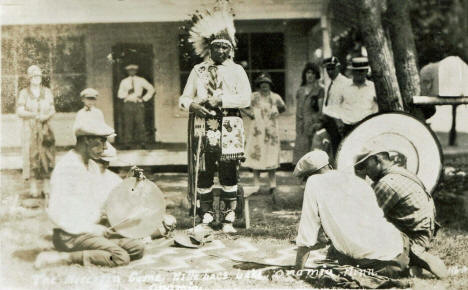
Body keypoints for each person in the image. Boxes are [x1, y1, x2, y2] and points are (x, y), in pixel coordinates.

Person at [34, 117, 145, 268]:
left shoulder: (91, 166)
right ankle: (61, 258)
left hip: (90, 230)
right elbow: (58, 212)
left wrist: (128, 190)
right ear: (87, 140)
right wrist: (91, 228)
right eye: (102, 141)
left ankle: (97, 249)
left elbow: (101, 198)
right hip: (70, 234)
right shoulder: (68, 168)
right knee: (121, 257)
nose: (106, 148)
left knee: (137, 247)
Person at [179, 4, 251, 233]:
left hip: (229, 124)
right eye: (216, 47)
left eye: (224, 47)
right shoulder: (198, 70)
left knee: (229, 168)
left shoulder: (237, 71)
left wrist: (221, 101)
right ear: (209, 49)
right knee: (205, 169)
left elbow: (246, 99)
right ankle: (206, 216)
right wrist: (192, 105)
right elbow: (184, 96)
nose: (220, 51)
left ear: (229, 50)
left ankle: (229, 217)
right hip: (203, 123)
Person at [294, 150, 410, 278]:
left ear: (308, 177)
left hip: (373, 264)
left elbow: (307, 234)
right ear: (330, 167)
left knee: (340, 256)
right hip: (398, 249)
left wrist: (297, 271)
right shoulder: (355, 180)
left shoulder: (314, 182)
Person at [354, 146, 448, 278]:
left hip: (412, 240)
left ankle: (411, 259)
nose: (364, 171)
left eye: (364, 165)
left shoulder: (386, 184)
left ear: (376, 159)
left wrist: (358, 181)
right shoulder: (401, 173)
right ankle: (411, 261)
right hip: (422, 233)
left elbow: (362, 219)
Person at [16, 65, 56, 198]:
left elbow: (52, 109)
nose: (36, 78)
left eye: (38, 76)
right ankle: (33, 187)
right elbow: (19, 111)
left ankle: (46, 187)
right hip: (30, 129)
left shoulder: (47, 92)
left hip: (45, 128)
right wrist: (33, 115)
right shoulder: (24, 93)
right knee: (32, 155)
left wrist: (45, 116)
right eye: (33, 76)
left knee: (47, 155)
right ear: (29, 78)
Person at [243, 73, 286, 195]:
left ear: (270, 85)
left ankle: (272, 184)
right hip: (257, 132)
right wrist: (250, 114)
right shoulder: (253, 97)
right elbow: (242, 106)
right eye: (262, 84)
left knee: (271, 155)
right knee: (256, 155)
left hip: (271, 132)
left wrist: (277, 112)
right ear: (258, 86)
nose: (264, 87)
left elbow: (284, 107)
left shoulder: (275, 97)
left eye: (266, 84)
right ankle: (256, 184)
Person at [292, 63, 324, 165]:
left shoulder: (320, 90)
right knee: (301, 152)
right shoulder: (300, 90)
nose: (310, 75)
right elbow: (298, 110)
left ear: (316, 75)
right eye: (308, 73)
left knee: (313, 152)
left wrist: (317, 123)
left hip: (313, 124)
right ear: (304, 74)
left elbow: (320, 109)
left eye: (313, 73)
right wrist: (298, 125)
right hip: (302, 125)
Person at [117, 64, 155, 149]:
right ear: (127, 72)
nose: (132, 72)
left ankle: (143, 143)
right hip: (128, 104)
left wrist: (144, 98)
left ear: (136, 71)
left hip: (138, 103)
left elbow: (151, 89)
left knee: (140, 123)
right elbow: (119, 94)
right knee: (128, 124)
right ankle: (128, 144)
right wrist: (127, 93)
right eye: (130, 70)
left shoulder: (141, 80)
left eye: (133, 70)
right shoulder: (124, 81)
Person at [340, 57, 378, 136]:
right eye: (356, 71)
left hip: (367, 128)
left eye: (362, 71)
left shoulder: (373, 87)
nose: (359, 73)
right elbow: (335, 106)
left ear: (367, 71)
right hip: (349, 128)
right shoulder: (344, 86)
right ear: (352, 71)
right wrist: (339, 124)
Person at [321, 56, 350, 155]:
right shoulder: (330, 83)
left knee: (339, 149)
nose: (330, 71)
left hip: (339, 122)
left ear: (338, 67)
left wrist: (340, 121)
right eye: (328, 69)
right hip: (329, 121)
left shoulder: (345, 83)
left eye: (332, 68)